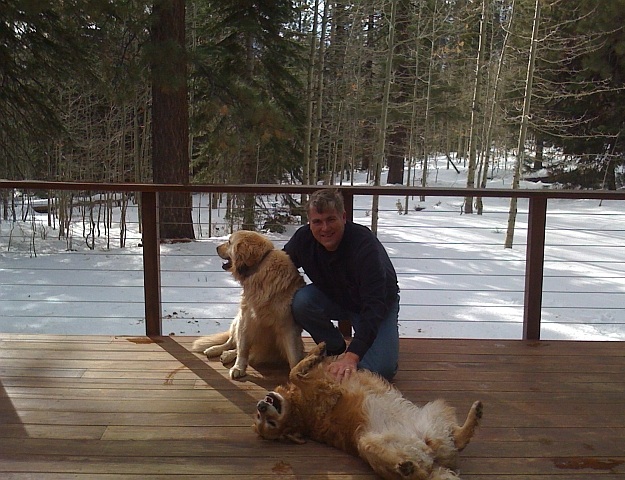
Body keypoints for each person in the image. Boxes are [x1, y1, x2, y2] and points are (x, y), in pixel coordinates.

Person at [284, 189, 400, 382]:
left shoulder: (364, 246)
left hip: (377, 306)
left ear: (343, 217)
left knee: (382, 370)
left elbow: (375, 305)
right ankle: (334, 346)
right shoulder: (303, 239)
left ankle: (350, 359)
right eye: (317, 222)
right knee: (301, 301)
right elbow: (279, 268)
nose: (325, 228)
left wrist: (352, 357)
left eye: (331, 220)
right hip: (337, 299)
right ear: (309, 223)